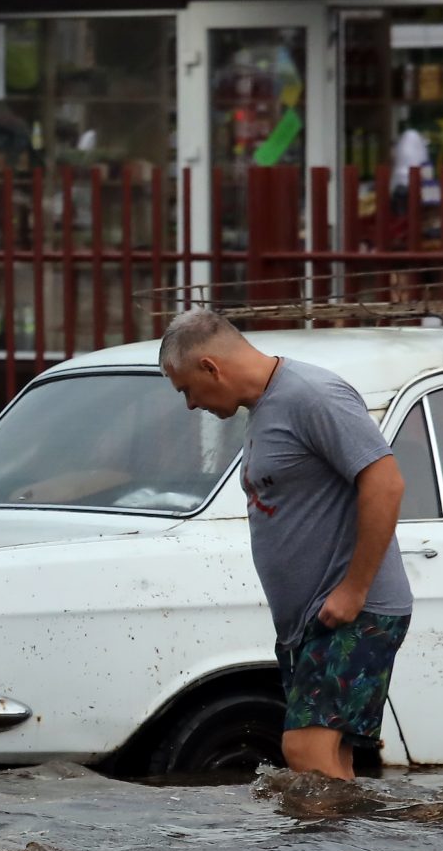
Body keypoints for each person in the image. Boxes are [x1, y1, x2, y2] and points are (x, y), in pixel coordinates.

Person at [160, 309, 412, 782]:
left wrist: (354, 589)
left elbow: (385, 482)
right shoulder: (263, 410)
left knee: (304, 751)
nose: (190, 404)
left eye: (186, 389)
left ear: (212, 367)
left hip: (354, 610)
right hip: (311, 621)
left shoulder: (313, 394)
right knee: (328, 761)